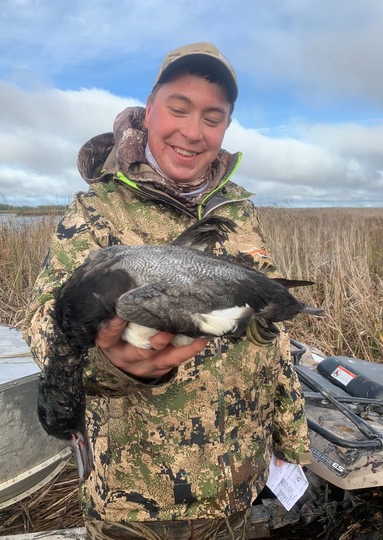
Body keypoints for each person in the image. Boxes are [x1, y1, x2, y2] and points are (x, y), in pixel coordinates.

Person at [23, 42, 312, 540]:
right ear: (149, 107)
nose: (193, 131)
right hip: (140, 506)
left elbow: (272, 340)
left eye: (213, 117)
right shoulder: (96, 212)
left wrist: (290, 441)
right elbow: (45, 326)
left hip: (239, 489)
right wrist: (113, 365)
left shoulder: (238, 213)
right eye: (178, 109)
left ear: (226, 126)